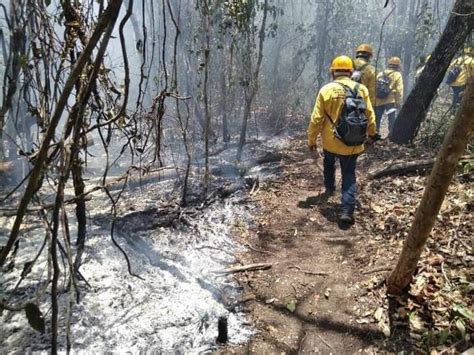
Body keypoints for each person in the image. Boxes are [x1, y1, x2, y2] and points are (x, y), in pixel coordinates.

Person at [307, 55, 377, 225]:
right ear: (350, 71)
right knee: (348, 174)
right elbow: (370, 116)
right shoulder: (362, 89)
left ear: (333, 72)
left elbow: (316, 119)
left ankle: (330, 188)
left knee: (329, 163)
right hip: (353, 142)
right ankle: (346, 210)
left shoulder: (326, 90)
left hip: (330, 141)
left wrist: (311, 141)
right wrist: (371, 135)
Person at [374, 56, 404, 135]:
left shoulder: (380, 73)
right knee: (391, 120)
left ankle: (375, 134)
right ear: (398, 66)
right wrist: (398, 102)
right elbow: (399, 90)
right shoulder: (397, 75)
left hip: (378, 100)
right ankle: (391, 135)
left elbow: (375, 87)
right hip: (390, 101)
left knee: (377, 119)